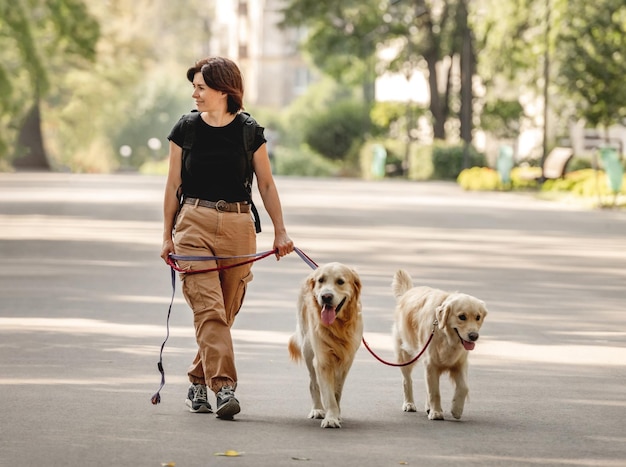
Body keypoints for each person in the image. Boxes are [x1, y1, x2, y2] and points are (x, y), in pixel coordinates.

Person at [160, 57, 294, 419]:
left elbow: (265, 183)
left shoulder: (249, 131)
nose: (195, 94)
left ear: (224, 90)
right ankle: (224, 388)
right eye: (195, 88)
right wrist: (166, 235)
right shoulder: (186, 128)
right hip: (193, 223)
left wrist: (280, 230)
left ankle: (196, 382)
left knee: (224, 311)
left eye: (201, 87)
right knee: (209, 309)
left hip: (238, 227)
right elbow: (173, 184)